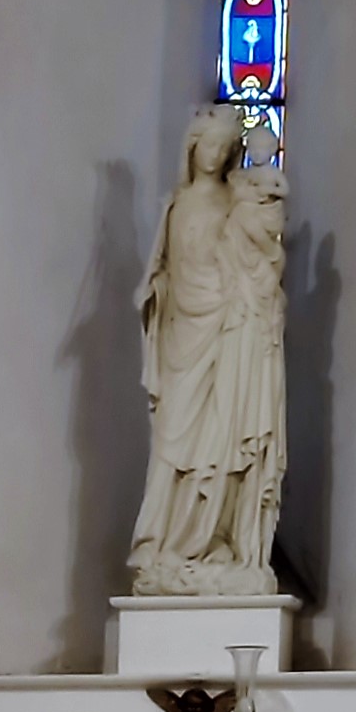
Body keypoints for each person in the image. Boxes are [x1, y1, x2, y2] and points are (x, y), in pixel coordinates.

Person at [125, 102, 291, 593]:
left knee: (225, 433)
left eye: (224, 147)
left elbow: (260, 252)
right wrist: (154, 291)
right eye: (208, 146)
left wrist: (254, 290)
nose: (216, 155)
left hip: (229, 329)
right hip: (184, 334)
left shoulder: (238, 196)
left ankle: (215, 539)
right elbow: (164, 267)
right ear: (192, 149)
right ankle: (162, 547)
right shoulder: (175, 205)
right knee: (172, 436)